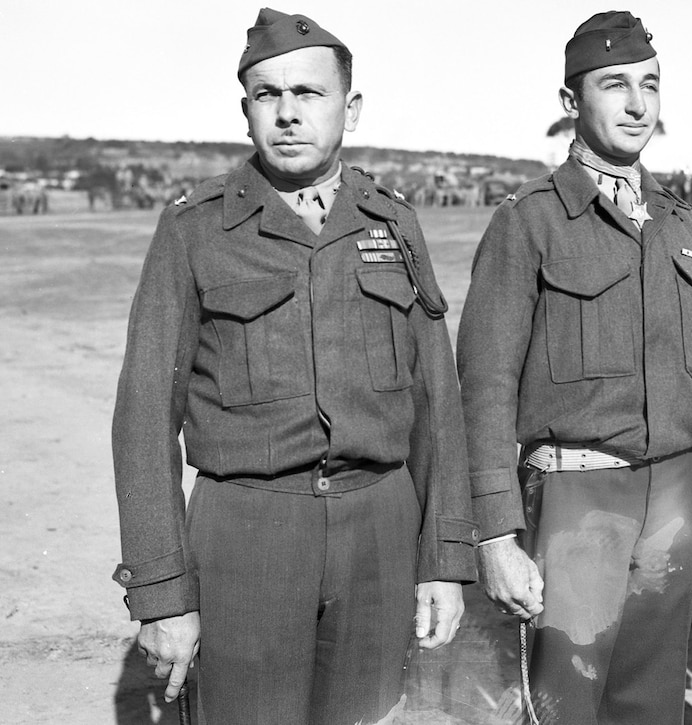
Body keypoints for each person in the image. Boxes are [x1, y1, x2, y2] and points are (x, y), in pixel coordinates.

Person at [110, 9, 477, 724]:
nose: (287, 114)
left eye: (308, 94)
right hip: (248, 530)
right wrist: (162, 593)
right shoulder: (195, 228)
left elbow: (439, 403)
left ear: (351, 107)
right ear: (245, 109)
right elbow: (144, 413)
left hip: (379, 524)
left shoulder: (393, 222)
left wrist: (443, 559)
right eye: (267, 95)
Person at [456, 11, 692, 724]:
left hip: (676, 498)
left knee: (652, 705)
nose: (638, 104)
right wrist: (495, 533)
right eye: (614, 85)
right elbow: (486, 387)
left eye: (649, 84)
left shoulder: (684, 227)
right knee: (565, 703)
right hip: (574, 501)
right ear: (570, 103)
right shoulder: (529, 222)